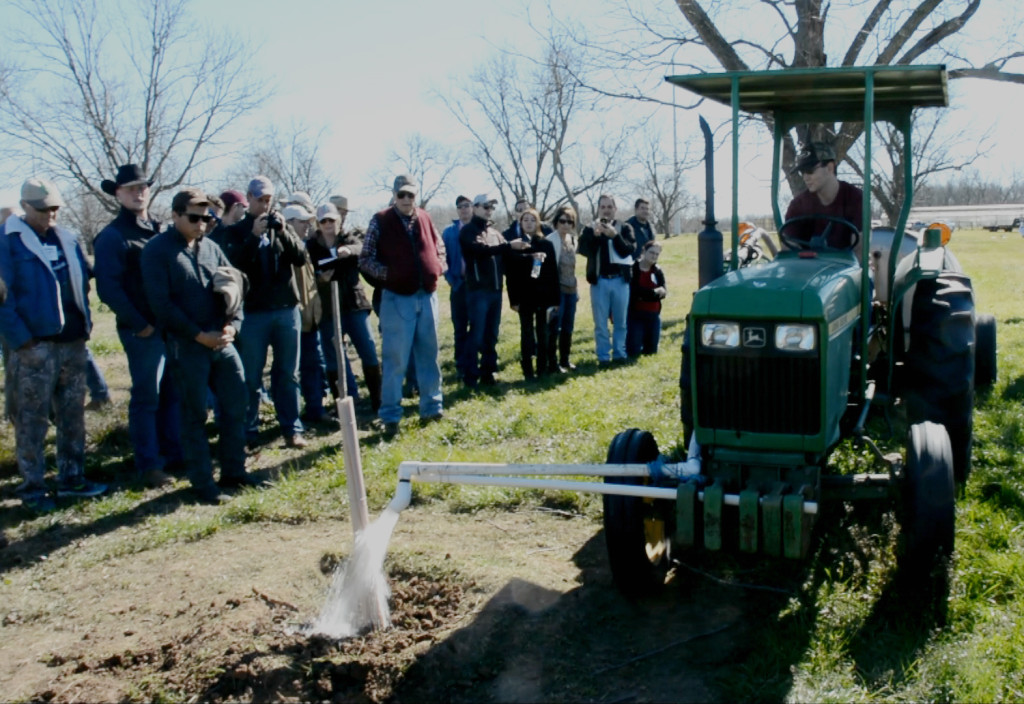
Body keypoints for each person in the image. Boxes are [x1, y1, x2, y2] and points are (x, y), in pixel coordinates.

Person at [0, 177, 106, 513]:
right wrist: (22, 340)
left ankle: (73, 478)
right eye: (44, 210)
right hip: (35, 346)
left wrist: (85, 323)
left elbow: (82, 283)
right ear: (26, 207)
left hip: (72, 343)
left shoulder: (67, 238)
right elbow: (2, 299)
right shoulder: (7, 242)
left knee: (73, 414)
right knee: (31, 419)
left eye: (56, 209)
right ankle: (33, 488)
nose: (51, 215)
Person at [141, 187, 253, 504]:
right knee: (193, 416)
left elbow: (235, 284)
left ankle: (235, 472)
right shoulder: (157, 251)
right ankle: (203, 484)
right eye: (194, 217)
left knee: (235, 405)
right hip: (187, 345)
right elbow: (161, 305)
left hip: (222, 341)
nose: (202, 223)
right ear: (175, 215)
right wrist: (197, 335)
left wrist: (234, 325)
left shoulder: (211, 248)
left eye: (206, 218)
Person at [94, 163, 182, 488]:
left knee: (171, 393)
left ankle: (174, 454)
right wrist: (140, 324)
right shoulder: (112, 237)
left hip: (170, 327)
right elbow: (108, 288)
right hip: (143, 331)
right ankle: (149, 465)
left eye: (142, 186)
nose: (138, 192)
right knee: (147, 397)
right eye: (130, 188)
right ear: (117, 194)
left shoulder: (159, 229)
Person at [216, 176, 309, 448]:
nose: (265, 205)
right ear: (249, 199)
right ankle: (249, 430)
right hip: (254, 313)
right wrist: (254, 237)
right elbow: (234, 267)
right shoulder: (237, 230)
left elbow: (300, 258)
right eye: (260, 200)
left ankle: (292, 428)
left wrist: (281, 232)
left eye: (269, 199)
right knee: (251, 375)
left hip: (286, 310)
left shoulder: (279, 225)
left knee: (288, 373)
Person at [358, 174, 446, 435]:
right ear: (394, 195)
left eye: (411, 195)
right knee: (395, 359)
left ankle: (432, 407)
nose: (407, 200)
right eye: (402, 195)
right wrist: (390, 275)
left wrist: (439, 267)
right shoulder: (381, 220)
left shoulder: (425, 217)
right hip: (397, 299)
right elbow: (365, 258)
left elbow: (439, 246)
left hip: (427, 295)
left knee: (429, 355)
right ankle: (390, 416)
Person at [308, 201, 381, 413]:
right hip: (329, 308)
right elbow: (307, 270)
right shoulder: (312, 246)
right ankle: (345, 403)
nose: (328, 224)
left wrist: (348, 250)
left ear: (338, 221)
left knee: (367, 349)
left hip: (354, 304)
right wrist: (320, 278)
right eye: (324, 221)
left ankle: (377, 400)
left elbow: (362, 248)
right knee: (333, 356)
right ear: (318, 224)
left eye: (332, 219)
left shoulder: (348, 238)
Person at [459, 193, 527, 388]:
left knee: (491, 334)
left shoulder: (495, 233)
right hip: (478, 291)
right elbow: (480, 250)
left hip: (496, 291)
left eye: (491, 207)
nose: (489, 210)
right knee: (477, 334)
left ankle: (488, 373)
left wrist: (528, 256)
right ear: (475, 207)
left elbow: (506, 257)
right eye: (486, 206)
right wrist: (507, 246)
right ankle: (470, 376)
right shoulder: (468, 231)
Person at [283, 204, 328, 423]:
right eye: (302, 222)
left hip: (311, 319)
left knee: (314, 366)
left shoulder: (304, 246)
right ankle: (295, 418)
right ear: (289, 223)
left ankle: (316, 410)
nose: (307, 226)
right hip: (296, 319)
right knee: (294, 370)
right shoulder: (283, 248)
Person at [578, 194, 635, 364]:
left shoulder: (624, 228)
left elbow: (629, 250)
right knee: (601, 324)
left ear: (615, 209)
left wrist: (615, 236)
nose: (606, 210)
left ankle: (619, 353)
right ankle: (603, 356)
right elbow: (584, 251)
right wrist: (596, 236)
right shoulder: (589, 229)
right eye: (603, 207)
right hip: (600, 281)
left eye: (610, 207)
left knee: (621, 322)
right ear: (598, 209)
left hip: (620, 281)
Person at [505, 207, 560, 378]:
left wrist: (555, 299)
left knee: (543, 332)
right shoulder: (516, 245)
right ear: (520, 223)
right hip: (524, 295)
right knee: (526, 332)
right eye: (525, 220)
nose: (529, 223)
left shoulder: (546, 244)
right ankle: (527, 369)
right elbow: (511, 275)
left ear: (538, 223)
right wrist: (513, 300)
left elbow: (553, 273)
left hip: (543, 295)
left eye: (532, 220)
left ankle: (542, 368)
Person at [783, 141, 863, 257]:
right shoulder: (798, 205)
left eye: (810, 171)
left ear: (830, 168)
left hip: (845, 269)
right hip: (808, 270)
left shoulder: (855, 198)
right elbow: (789, 248)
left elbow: (860, 250)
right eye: (802, 172)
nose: (805, 177)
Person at [441, 195, 472, 383]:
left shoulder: (479, 229)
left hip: (476, 287)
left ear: (472, 208)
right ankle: (461, 365)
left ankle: (474, 363)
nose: (464, 209)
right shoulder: (449, 232)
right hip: (458, 285)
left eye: (467, 206)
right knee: (460, 328)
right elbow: (442, 257)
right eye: (460, 207)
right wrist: (451, 280)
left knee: (477, 327)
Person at [547, 204, 580, 372]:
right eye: (563, 221)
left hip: (571, 290)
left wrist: (577, 290)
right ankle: (552, 363)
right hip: (556, 291)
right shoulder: (550, 240)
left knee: (568, 327)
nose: (566, 225)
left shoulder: (573, 240)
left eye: (570, 222)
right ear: (556, 221)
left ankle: (565, 360)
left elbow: (573, 268)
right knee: (554, 327)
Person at [627, 240, 667, 357]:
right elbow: (635, 291)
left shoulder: (658, 271)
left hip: (653, 316)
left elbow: (664, 290)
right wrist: (654, 293)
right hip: (636, 316)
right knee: (633, 351)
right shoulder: (634, 268)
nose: (654, 256)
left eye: (656, 254)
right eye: (651, 253)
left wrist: (661, 292)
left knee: (651, 351)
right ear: (644, 251)